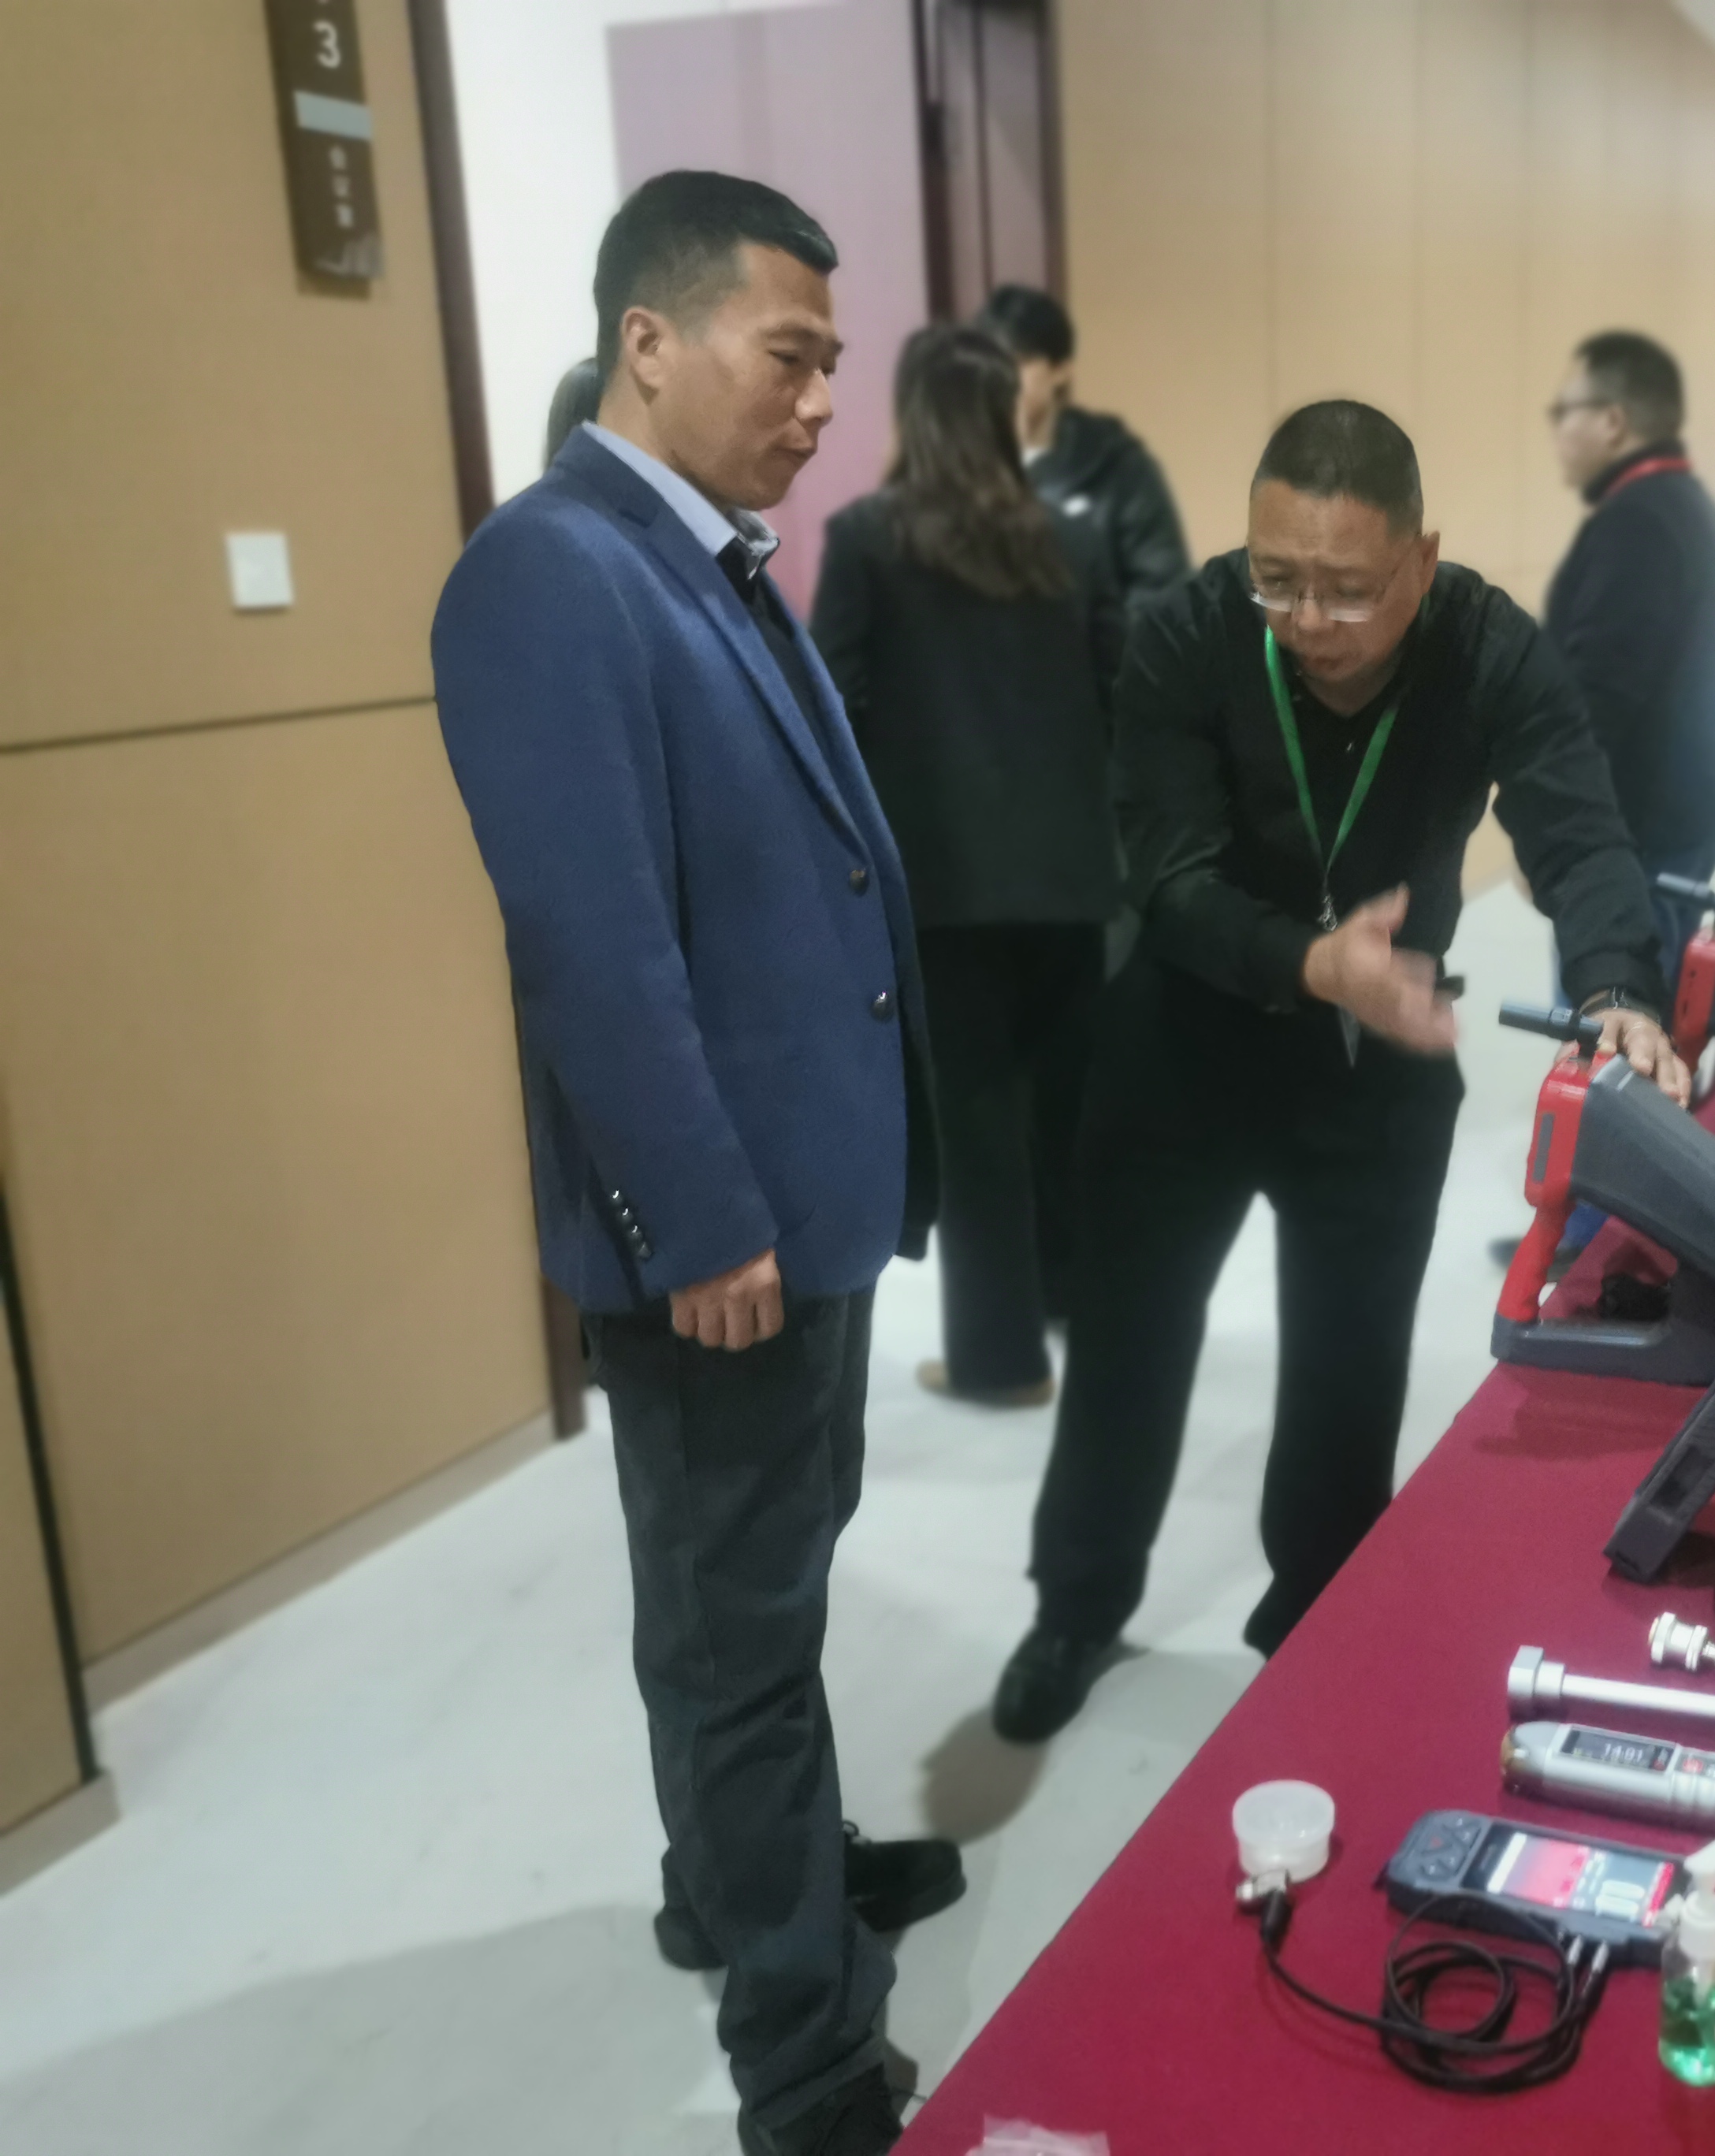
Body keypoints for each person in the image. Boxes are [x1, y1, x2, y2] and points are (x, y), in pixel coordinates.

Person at [430, 171, 958, 2156]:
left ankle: (748, 1878)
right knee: (738, 1630)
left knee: (758, 1589)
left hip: (806, 1195)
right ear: (648, 341)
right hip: (727, 1227)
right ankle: (800, 2050)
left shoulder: (703, 556)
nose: (822, 403)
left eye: (833, 362)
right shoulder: (550, 574)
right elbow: (595, 945)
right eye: (789, 356)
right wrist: (704, 1214)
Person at [991, 400, 1690, 1740]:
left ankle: (1313, 1626)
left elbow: (1581, 832)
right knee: (1130, 1344)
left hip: (1381, 1059)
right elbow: (1167, 876)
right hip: (1181, 1044)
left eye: (1349, 589)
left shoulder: (1488, 648)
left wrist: (1615, 989)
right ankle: (1076, 1603)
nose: (1309, 620)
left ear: (1421, 560)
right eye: (1280, 579)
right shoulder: (1190, 634)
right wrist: (1316, 963)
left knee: (1349, 1371)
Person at [813, 326, 1123, 1410]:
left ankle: (998, 1360)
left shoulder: (868, 538)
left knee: (980, 1122)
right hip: (1071, 877)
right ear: (1005, 415)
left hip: (941, 886)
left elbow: (831, 706)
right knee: (1063, 1102)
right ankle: (1074, 1298)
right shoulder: (1072, 539)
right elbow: (1118, 691)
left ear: (913, 412)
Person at [1542, 330, 1715, 992]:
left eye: (1562, 411)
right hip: (1681, 811)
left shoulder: (1637, 525)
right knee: (1652, 1005)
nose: (1556, 430)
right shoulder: (1681, 505)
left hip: (1640, 830)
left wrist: (1555, 827)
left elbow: (1598, 699)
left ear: (1612, 421)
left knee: (1611, 1025)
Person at [973, 283, 1190, 619]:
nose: (1003, 380)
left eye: (1019, 363)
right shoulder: (961, 465)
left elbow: (1163, 594)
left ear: (1061, 370)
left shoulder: (1118, 466)